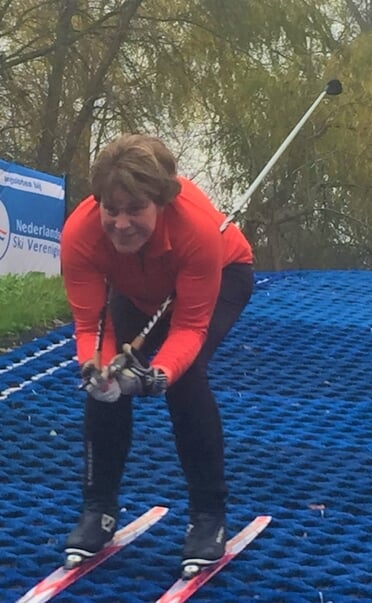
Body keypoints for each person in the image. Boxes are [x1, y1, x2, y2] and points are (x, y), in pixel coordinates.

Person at [59, 133, 254, 575]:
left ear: (161, 203)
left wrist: (159, 373)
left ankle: (208, 518)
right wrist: (95, 367)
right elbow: (91, 327)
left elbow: (188, 327)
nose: (122, 223)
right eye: (112, 209)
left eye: (135, 210)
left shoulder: (198, 230)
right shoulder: (80, 234)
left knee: (185, 381)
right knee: (104, 382)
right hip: (137, 288)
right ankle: (98, 510)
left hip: (222, 276)